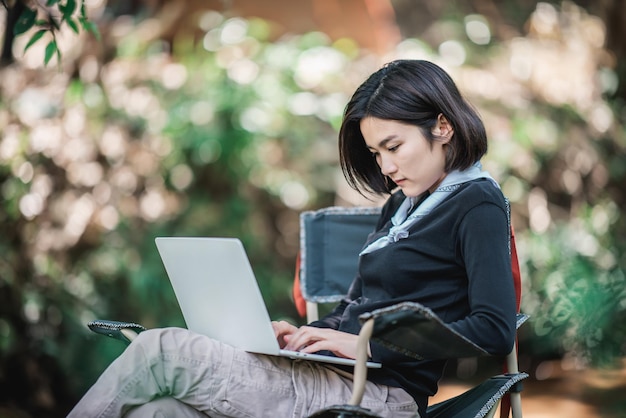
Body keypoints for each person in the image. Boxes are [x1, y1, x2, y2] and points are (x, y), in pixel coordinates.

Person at [68, 59, 516, 418]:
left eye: (393, 147)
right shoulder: (402, 203)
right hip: (333, 376)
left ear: (442, 127)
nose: (385, 168)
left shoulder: (477, 203)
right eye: (376, 153)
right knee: (161, 410)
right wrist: (303, 336)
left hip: (380, 398)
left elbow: (492, 331)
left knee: (160, 349)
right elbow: (350, 312)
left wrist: (366, 345)